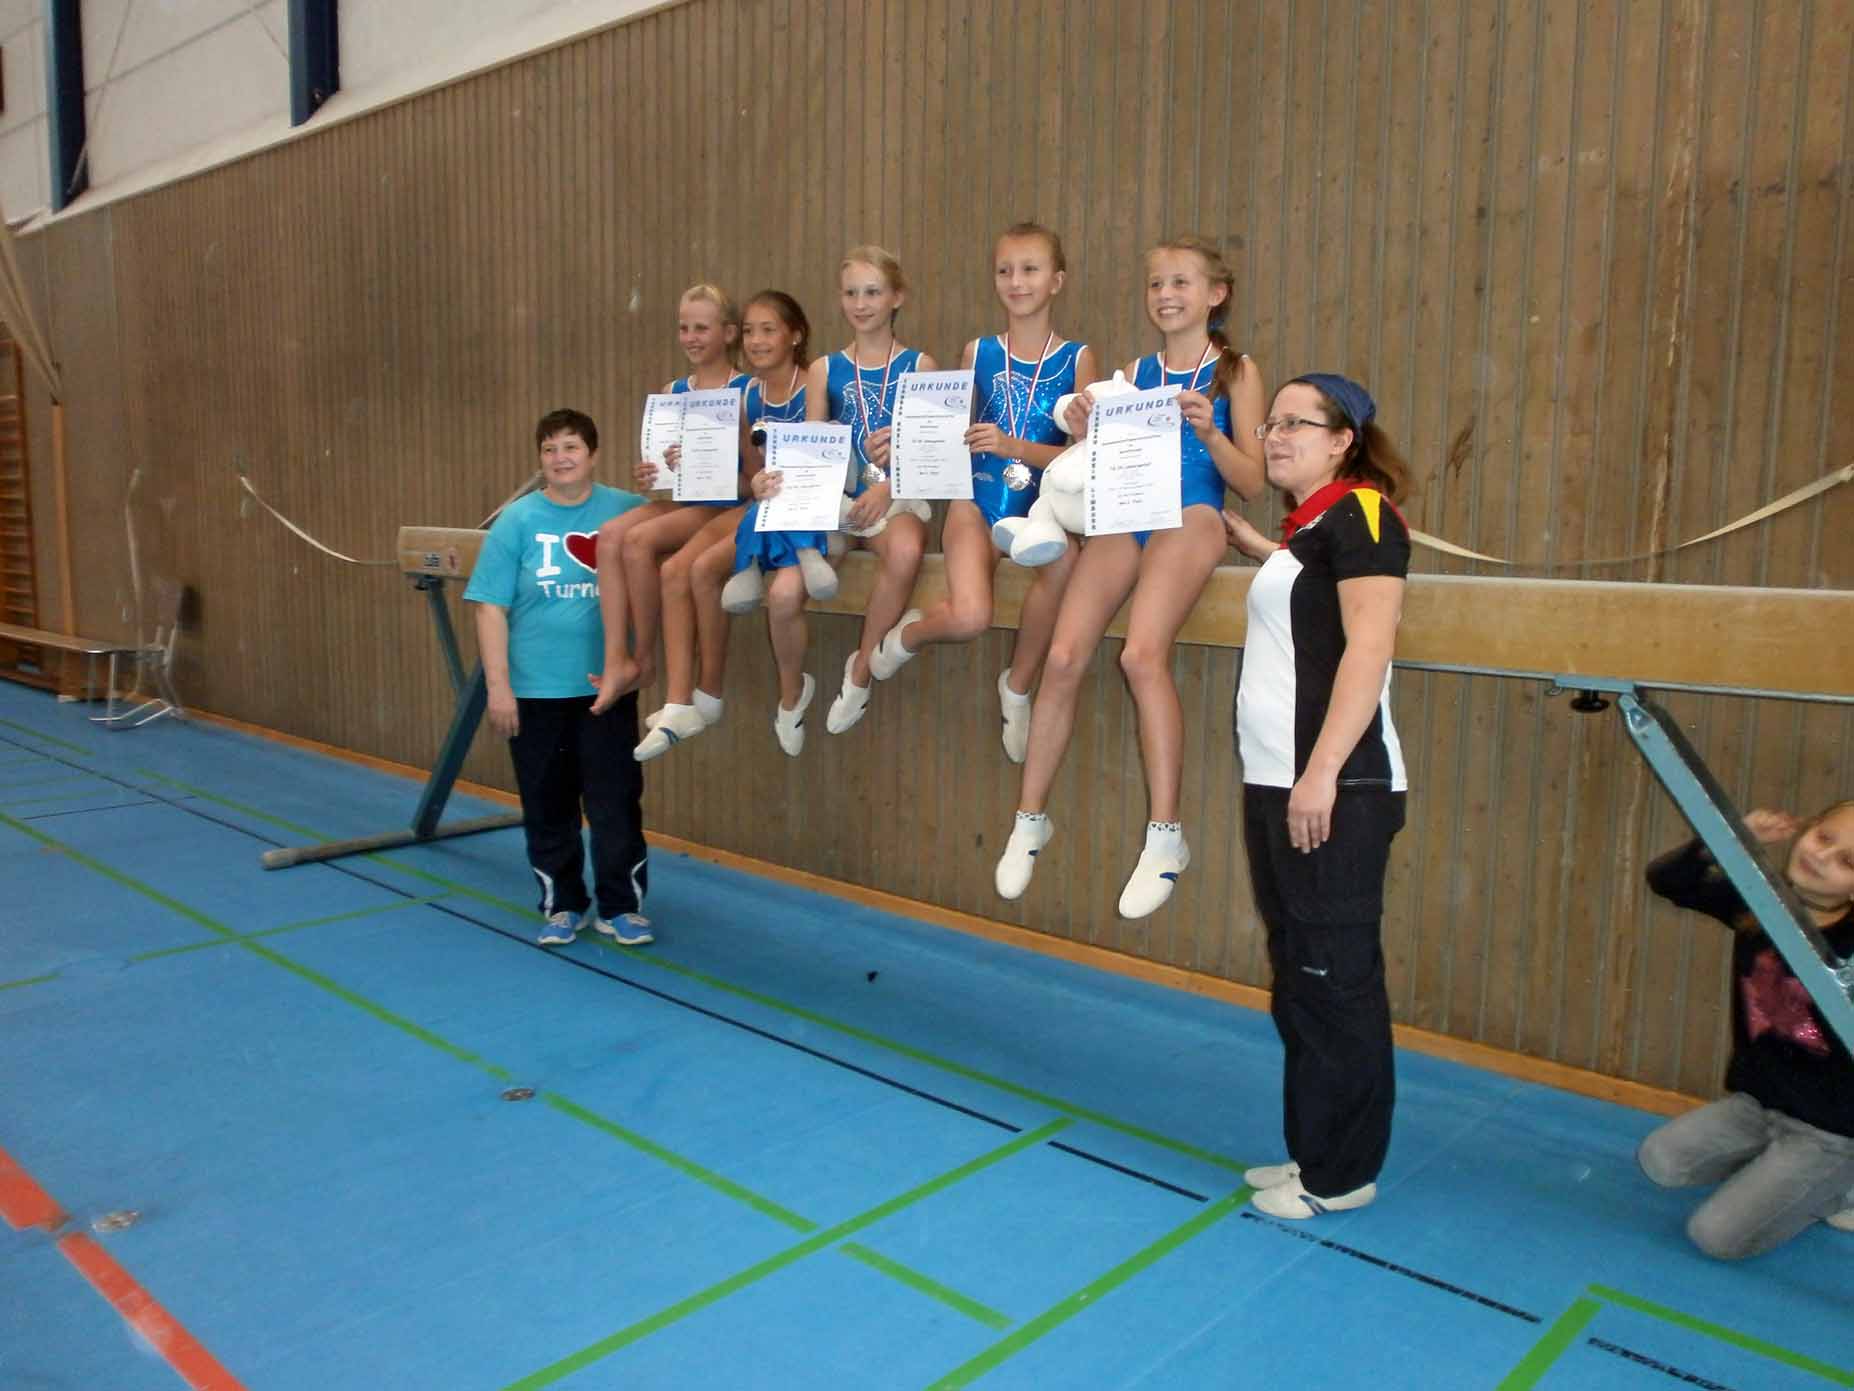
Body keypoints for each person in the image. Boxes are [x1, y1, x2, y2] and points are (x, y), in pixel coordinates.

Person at [993, 234, 1264, 917]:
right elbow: (1101, 459)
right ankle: (1030, 818)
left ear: (1215, 294)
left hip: (1193, 510)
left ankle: (1166, 836)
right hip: (1129, 510)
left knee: (1141, 656)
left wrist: (1210, 433)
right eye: (1156, 285)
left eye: (1180, 283)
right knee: (1062, 656)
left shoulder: (1236, 372)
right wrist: (1084, 425)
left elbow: (1254, 483)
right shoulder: (1135, 371)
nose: (1166, 295)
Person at [1223, 373, 1411, 1220]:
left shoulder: (1363, 514)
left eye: (1296, 422)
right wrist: (1258, 549)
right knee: (1301, 976)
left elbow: (1367, 647)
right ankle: (1313, 1148)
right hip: (1280, 780)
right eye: (1271, 423)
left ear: (1343, 440)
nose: (1275, 434)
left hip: (1334, 788)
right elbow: (1311, 607)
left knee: (1336, 982)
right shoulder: (1308, 531)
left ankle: (1342, 1173)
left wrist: (1323, 771)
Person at [868, 223, 1097, 762]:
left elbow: (1082, 460)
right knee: (970, 617)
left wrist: (1013, 445)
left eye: (1030, 270)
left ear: (1057, 281)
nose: (1016, 282)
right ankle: (910, 635)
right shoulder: (978, 351)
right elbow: (948, 434)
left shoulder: (1078, 358)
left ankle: (1017, 686)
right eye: (1005, 271)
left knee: (1064, 565)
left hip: (1041, 508)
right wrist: (902, 446)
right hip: (976, 499)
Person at [465, 409, 653, 947]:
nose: (560, 458)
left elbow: (676, 536)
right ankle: (563, 903)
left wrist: (659, 485)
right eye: (549, 449)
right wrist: (499, 688)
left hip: (603, 689)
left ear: (593, 455)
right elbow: (489, 607)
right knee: (548, 803)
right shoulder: (518, 520)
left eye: (570, 447)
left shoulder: (627, 510)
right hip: (535, 691)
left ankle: (621, 906)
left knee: (614, 802)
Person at [1636, 800, 1854, 1258]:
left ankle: (1840, 1185)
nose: (1820, 856)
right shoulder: (1762, 900)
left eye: (1846, 862)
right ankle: (1781, 1172)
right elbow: (1669, 880)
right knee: (1662, 1163)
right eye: (1823, 837)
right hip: (1759, 1104)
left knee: (1717, 1237)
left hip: (1831, 1131)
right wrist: (1727, 839)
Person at [589, 284, 752, 709]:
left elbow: (754, 481)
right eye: (684, 328)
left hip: (728, 505)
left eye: (701, 328)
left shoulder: (747, 390)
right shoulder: (673, 391)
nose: (690, 338)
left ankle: (645, 659)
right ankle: (617, 657)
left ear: (729, 333)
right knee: (610, 535)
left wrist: (711, 467)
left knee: (639, 540)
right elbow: (662, 476)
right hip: (686, 500)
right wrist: (649, 474)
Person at [807, 245, 937, 734]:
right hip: (839, 502)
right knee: (804, 566)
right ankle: (791, 693)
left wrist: (889, 488)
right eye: (851, 293)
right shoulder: (824, 369)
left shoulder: (920, 366)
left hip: (896, 498)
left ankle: (861, 670)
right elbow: (813, 449)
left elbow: (932, 453)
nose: (861, 304)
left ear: (896, 297)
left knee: (906, 551)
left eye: (873, 292)